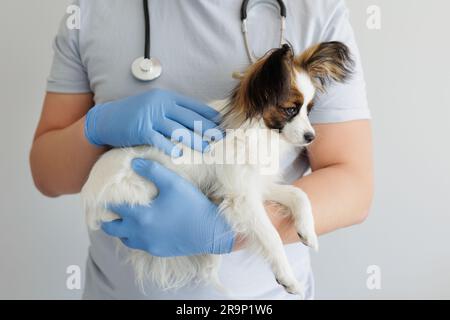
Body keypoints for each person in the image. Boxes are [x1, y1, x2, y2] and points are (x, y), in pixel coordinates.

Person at [29, 0, 373, 299]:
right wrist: (96, 126)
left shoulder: (315, 9)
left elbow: (353, 183)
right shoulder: (91, 10)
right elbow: (47, 174)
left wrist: (224, 231)